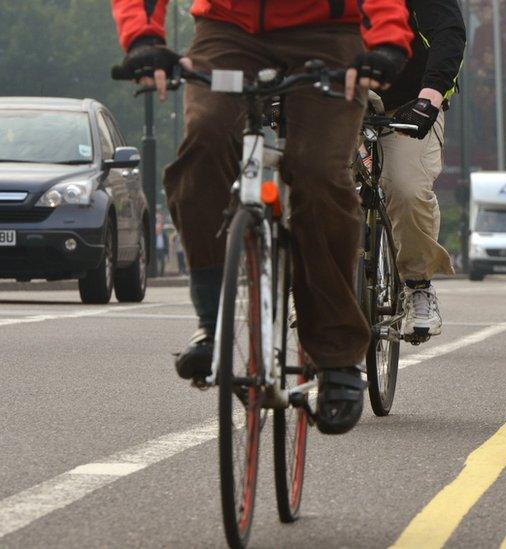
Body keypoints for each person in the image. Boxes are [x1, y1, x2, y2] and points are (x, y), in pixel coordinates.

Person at [111, 0, 413, 435]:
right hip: (227, 32)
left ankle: (335, 355)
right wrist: (143, 38)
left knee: (318, 174)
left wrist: (386, 42)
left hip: (326, 34)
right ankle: (212, 322)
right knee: (204, 144)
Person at [376, 0, 465, 340]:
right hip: (339, 101)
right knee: (314, 177)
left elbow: (448, 32)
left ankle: (417, 284)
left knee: (406, 187)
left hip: (411, 103)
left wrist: (430, 97)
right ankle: (310, 283)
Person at [154, 212, 168, 276]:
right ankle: (156, 273)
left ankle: (161, 274)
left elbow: (167, 244)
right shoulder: (155, 236)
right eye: (158, 228)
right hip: (156, 250)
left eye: (160, 227)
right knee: (156, 263)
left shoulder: (164, 235)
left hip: (162, 250)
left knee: (162, 262)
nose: (159, 229)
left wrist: (166, 252)